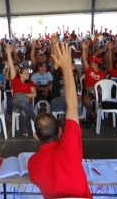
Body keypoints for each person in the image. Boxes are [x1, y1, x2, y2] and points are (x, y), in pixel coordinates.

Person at [28, 42, 91, 199]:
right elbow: (72, 105)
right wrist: (67, 69)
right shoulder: (69, 148)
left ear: (36, 136)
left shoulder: (33, 163)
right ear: (60, 130)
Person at [6, 45, 36, 138]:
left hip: (26, 104)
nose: (28, 74)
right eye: (26, 73)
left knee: (23, 110)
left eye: (28, 73)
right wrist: (8, 54)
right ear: (21, 74)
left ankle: (25, 131)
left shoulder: (30, 83)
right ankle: (37, 121)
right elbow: (11, 67)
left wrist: (22, 95)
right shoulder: (15, 80)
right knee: (22, 103)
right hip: (16, 105)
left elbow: (34, 94)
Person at [81, 40, 106, 123]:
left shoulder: (102, 73)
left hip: (97, 90)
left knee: (102, 99)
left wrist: (96, 91)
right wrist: (84, 49)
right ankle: (92, 113)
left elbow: (101, 84)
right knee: (85, 100)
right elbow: (84, 59)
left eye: (92, 62)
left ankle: (98, 112)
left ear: (97, 64)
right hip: (87, 89)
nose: (90, 63)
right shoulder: (88, 69)